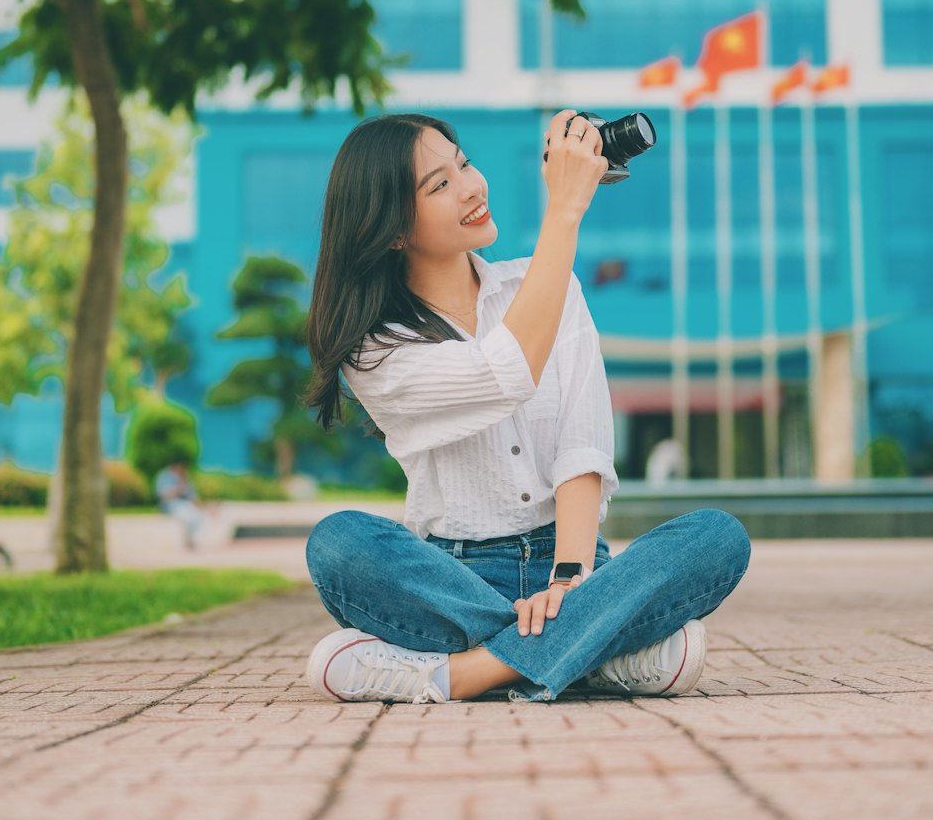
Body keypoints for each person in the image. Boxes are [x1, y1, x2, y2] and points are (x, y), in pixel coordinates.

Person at [303, 110, 750, 705]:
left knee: (717, 538)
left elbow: (581, 444)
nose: (471, 186)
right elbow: (505, 372)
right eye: (439, 185)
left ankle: (463, 674)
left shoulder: (550, 287)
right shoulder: (375, 347)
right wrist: (564, 211)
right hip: (455, 579)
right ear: (392, 230)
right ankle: (598, 655)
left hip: (574, 568)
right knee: (338, 544)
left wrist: (569, 578)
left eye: (463, 163)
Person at [155, 460, 205, 549]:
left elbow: (193, 498)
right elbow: (164, 495)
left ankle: (190, 540)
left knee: (198, 519)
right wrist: (178, 489)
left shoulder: (185, 479)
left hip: (185, 504)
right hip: (172, 505)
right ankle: (188, 541)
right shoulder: (165, 476)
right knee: (188, 517)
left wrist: (205, 508)